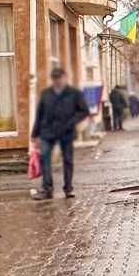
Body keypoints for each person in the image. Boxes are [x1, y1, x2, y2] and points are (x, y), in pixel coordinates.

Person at [31, 67, 91, 200]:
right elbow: (39, 114)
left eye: (59, 78)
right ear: (52, 79)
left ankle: (68, 189)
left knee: (68, 160)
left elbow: (84, 111)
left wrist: (71, 122)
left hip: (66, 131)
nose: (57, 81)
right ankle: (47, 190)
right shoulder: (46, 93)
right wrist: (35, 134)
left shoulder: (74, 93)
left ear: (65, 78)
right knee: (45, 160)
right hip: (47, 131)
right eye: (55, 78)